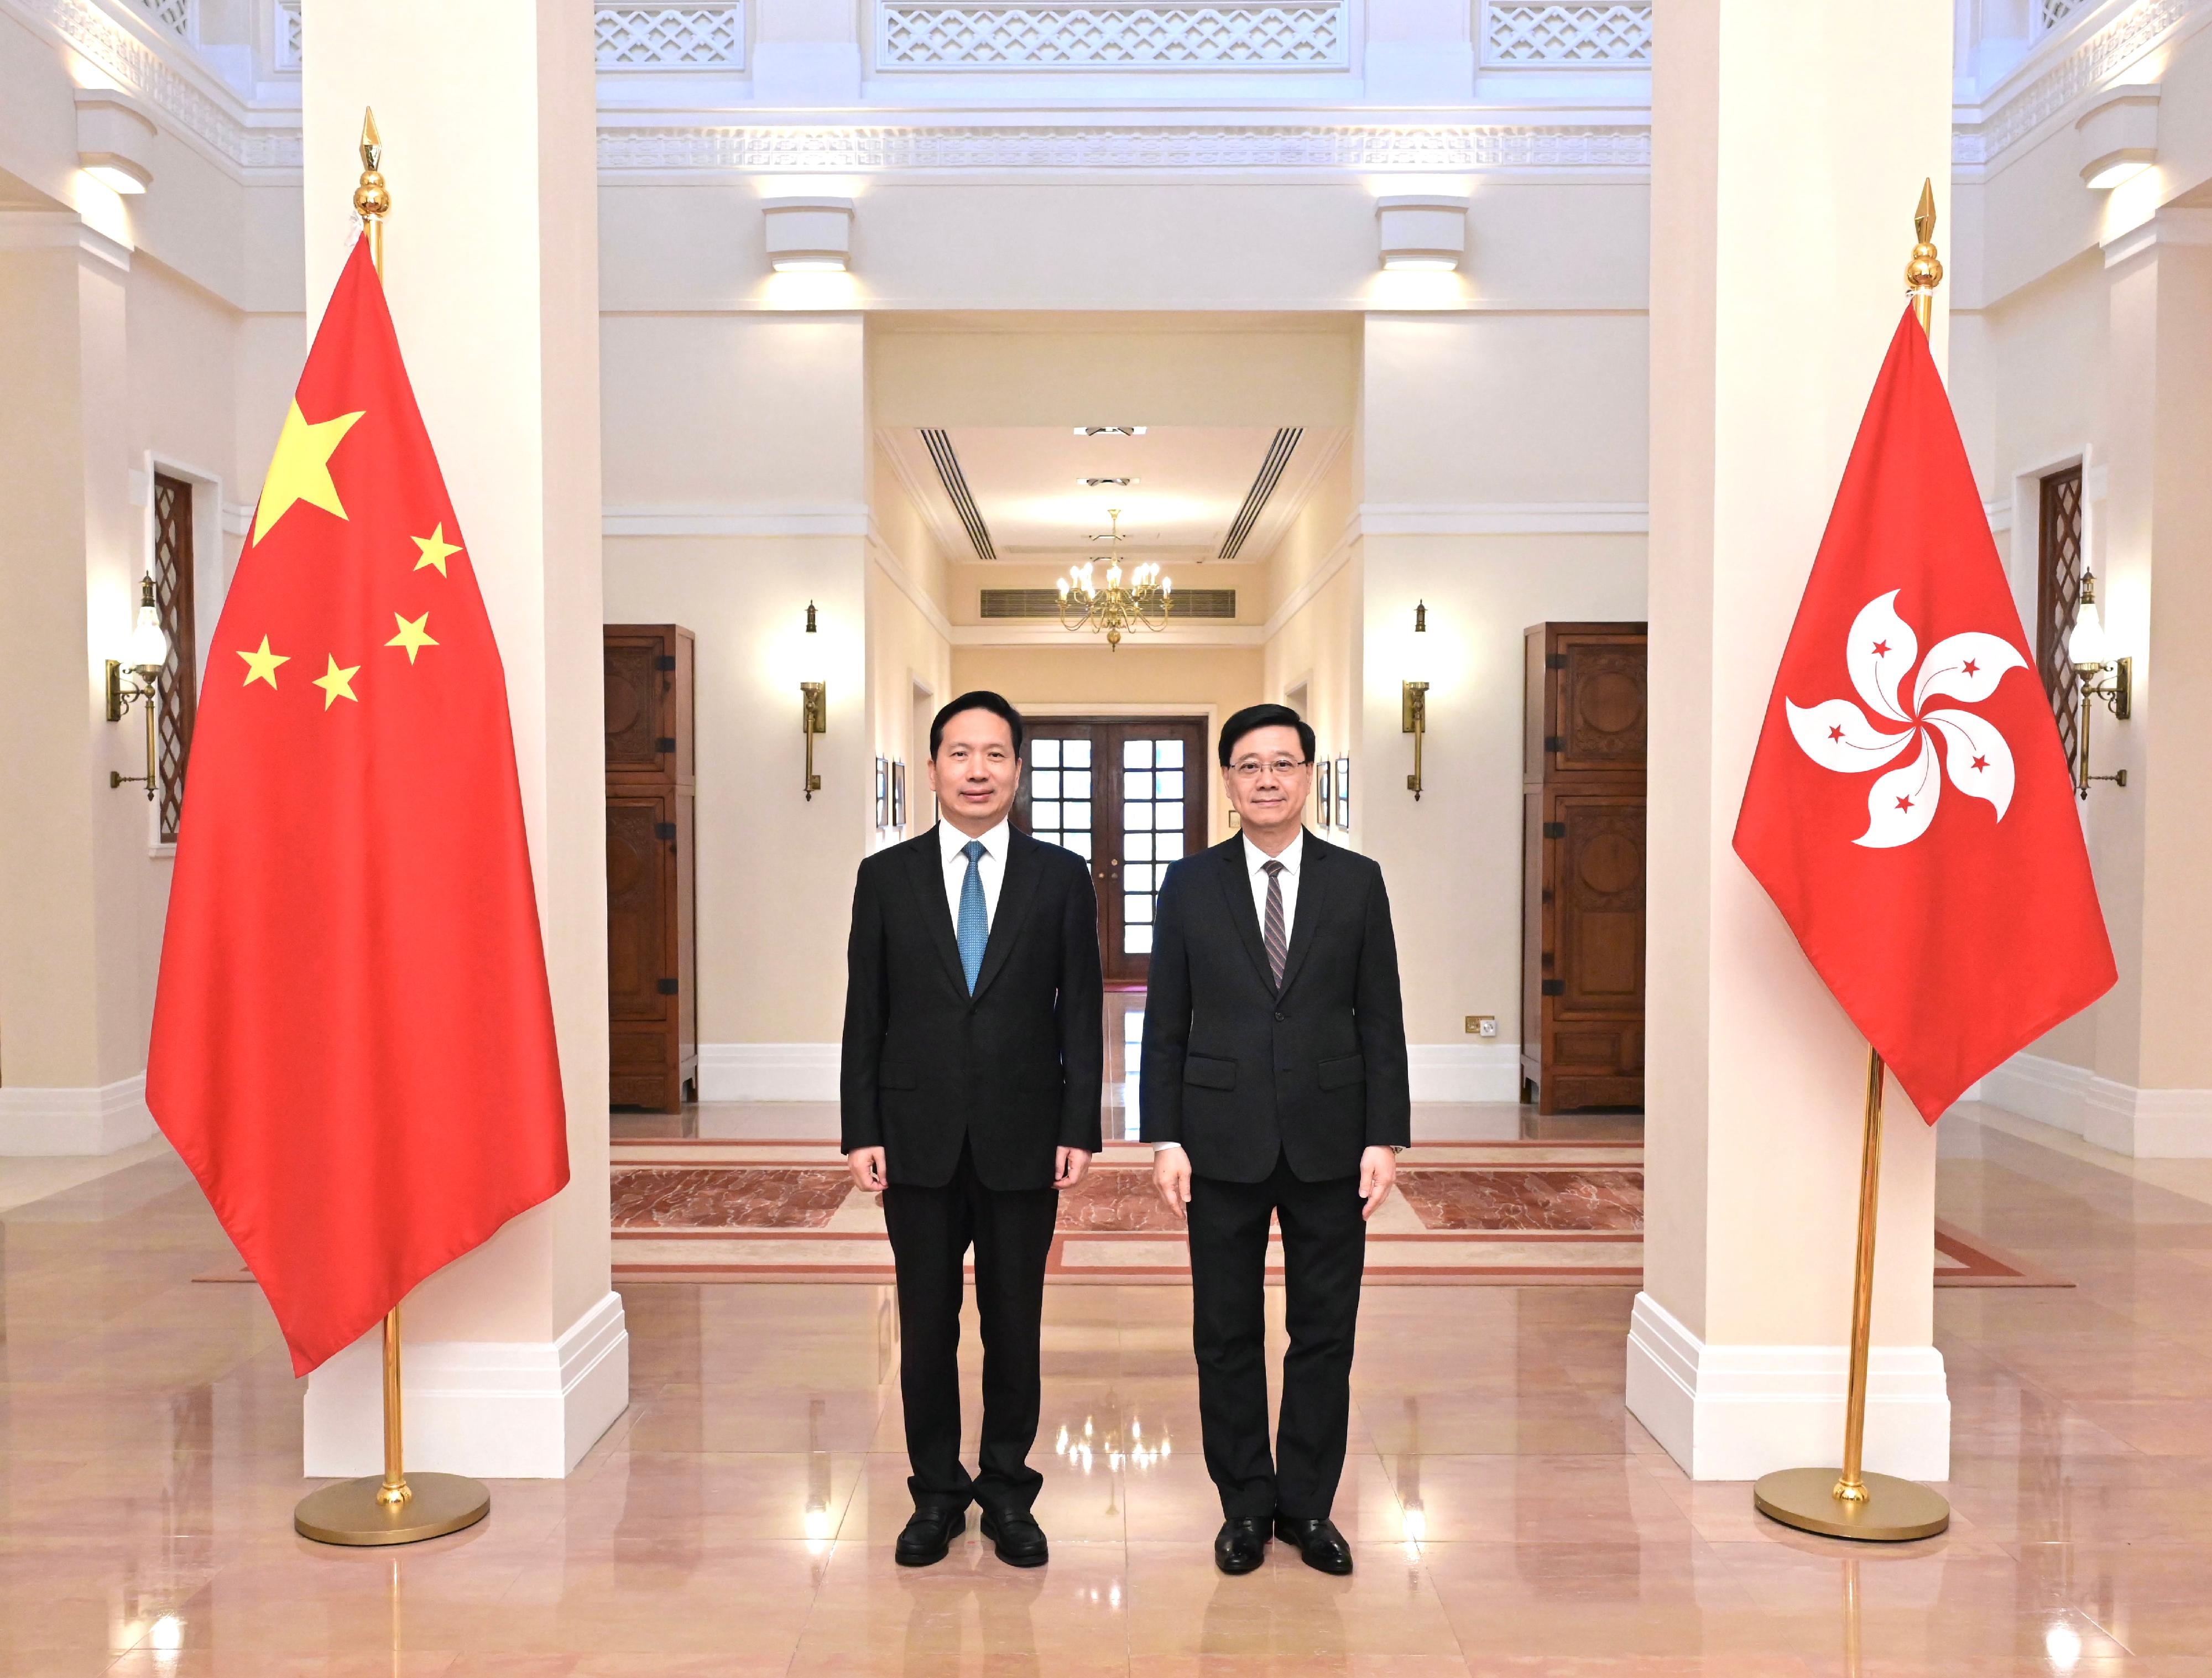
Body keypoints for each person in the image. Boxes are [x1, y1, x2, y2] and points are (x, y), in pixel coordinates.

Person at [1143, 702, 1410, 1576]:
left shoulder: (1358, 880)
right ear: (1228, 781)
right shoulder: (1188, 883)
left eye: (1283, 764)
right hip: (1218, 1139)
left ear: (1309, 776)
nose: (1266, 779)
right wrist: (1164, 1137)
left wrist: (1385, 1134)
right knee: (1224, 1330)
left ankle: (1307, 1507)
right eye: (1249, 765)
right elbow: (1166, 1022)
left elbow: (1381, 1016)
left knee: (1324, 1329)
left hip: (1333, 1141)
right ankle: (1244, 1507)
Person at [841, 690, 1104, 1568]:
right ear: (932, 768)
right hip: (912, 1134)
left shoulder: (1061, 876)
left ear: (1017, 769)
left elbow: (1082, 1012)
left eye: (996, 754)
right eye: (961, 753)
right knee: (926, 1323)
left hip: (1026, 1133)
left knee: (1014, 1321)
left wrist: (1081, 1123)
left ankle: (1006, 1491)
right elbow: (864, 1011)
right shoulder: (886, 876)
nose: (979, 769)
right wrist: (860, 1125)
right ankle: (936, 1495)